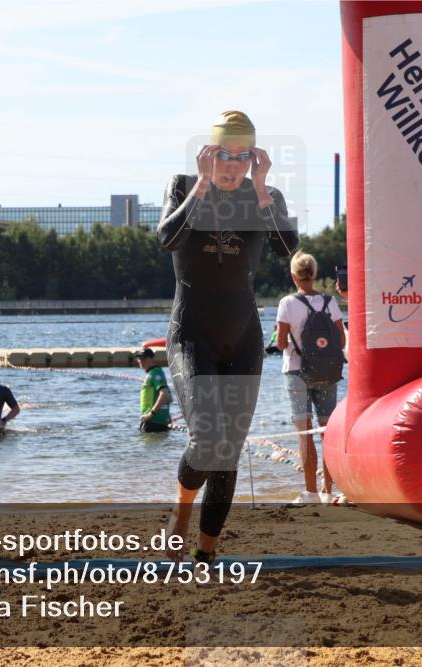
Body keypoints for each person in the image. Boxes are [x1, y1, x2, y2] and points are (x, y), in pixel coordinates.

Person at [157, 110, 298, 564]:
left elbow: (285, 247)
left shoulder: (265, 195)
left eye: (242, 157)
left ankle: (206, 553)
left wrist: (260, 188)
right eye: (224, 156)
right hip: (190, 331)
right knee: (205, 440)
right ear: (208, 154)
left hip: (243, 336)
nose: (233, 165)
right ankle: (180, 513)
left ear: (253, 157)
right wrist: (201, 185)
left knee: (229, 451)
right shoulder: (183, 186)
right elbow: (167, 238)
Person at [276, 251, 345, 503]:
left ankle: (311, 492)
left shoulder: (287, 303)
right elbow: (342, 339)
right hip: (328, 371)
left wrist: (286, 338)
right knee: (327, 430)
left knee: (304, 432)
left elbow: (282, 343)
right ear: (314, 274)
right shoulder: (330, 302)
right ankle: (329, 489)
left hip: (296, 371)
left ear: (294, 275)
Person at [135, 347, 172, 433]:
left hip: (153, 422)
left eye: (143, 358)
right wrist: (167, 415)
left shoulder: (155, 373)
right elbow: (168, 398)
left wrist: (150, 414)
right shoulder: (155, 372)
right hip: (157, 421)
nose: (141, 360)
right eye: (139, 358)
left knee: (147, 445)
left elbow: (164, 394)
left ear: (152, 359)